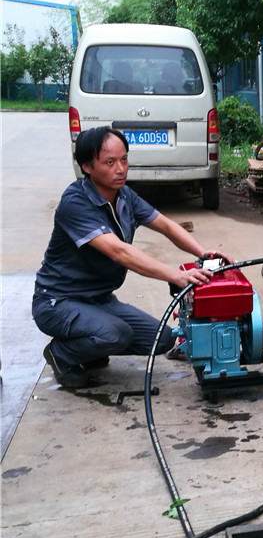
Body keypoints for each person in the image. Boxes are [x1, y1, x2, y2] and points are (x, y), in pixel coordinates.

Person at [33, 126, 233, 389]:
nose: (120, 169)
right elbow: (120, 252)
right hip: (58, 302)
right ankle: (62, 354)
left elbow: (166, 225)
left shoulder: (124, 196)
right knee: (115, 334)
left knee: (163, 339)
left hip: (99, 300)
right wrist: (177, 275)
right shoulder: (75, 203)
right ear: (87, 166)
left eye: (124, 159)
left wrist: (201, 252)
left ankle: (90, 346)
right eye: (110, 162)